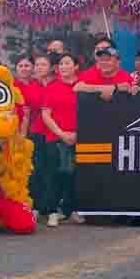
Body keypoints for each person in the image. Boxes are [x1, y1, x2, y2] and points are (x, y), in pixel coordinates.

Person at [41, 53, 84, 227]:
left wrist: (77, 133)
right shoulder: (52, 87)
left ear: (76, 66)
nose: (63, 67)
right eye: (61, 64)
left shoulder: (83, 86)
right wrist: (61, 133)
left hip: (79, 138)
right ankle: (53, 211)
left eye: (67, 63)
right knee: (54, 175)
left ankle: (73, 210)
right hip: (55, 138)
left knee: (76, 175)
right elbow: (46, 114)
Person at [27, 54, 53, 221]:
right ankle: (36, 206)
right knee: (36, 170)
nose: (39, 67)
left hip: (53, 132)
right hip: (35, 131)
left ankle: (51, 207)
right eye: (37, 65)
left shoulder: (56, 85)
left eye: (43, 64)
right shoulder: (31, 86)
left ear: (50, 68)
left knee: (51, 171)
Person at [12, 57, 36, 137]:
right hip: (16, 129)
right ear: (16, 68)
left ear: (33, 68)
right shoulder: (11, 86)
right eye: (20, 66)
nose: (23, 69)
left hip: (37, 129)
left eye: (26, 66)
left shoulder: (39, 84)